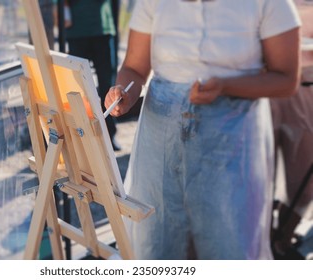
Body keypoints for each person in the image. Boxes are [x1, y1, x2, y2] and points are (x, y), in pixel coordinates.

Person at [105, 0, 301, 259]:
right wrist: (124, 93)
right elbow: (134, 68)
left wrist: (226, 87)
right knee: (156, 242)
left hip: (232, 141)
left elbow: (286, 79)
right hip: (161, 140)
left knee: (229, 244)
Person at [270, 0, 313, 259]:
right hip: (261, 83)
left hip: (307, 87)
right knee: (258, 176)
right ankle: (261, 241)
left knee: (304, 177)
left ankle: (282, 238)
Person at [64, 0, 121, 150]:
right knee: (77, 88)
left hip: (103, 28)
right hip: (76, 30)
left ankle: (109, 136)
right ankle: (80, 136)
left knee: (107, 85)